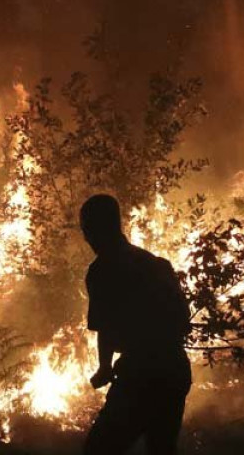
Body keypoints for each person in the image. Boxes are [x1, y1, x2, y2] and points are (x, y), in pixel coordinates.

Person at [80, 194, 192, 455]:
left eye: (86, 228)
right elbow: (183, 321)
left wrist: (105, 368)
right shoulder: (156, 263)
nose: (85, 236)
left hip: (142, 375)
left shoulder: (102, 270)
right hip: (175, 370)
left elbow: (105, 328)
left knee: (99, 450)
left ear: (95, 228)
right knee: (161, 449)